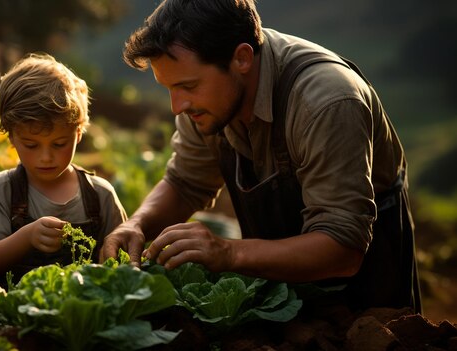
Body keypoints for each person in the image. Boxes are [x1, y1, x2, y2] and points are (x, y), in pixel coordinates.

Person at [100, 0, 421, 313]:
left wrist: (227, 252)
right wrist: (137, 225)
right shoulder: (205, 102)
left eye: (188, 86)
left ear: (241, 58)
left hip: (368, 290)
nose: (177, 106)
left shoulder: (327, 101)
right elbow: (185, 182)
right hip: (279, 286)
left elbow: (343, 248)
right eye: (169, 88)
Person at [0, 53, 128, 287]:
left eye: (59, 144)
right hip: (15, 311)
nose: (46, 157)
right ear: (11, 137)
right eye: (31, 145)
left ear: (79, 133)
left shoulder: (100, 195)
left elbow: (120, 256)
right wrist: (27, 237)